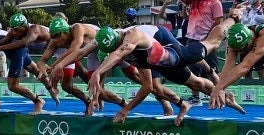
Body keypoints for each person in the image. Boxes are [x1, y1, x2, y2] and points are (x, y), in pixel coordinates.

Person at [89, 22, 243, 126]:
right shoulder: (123, 54)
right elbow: (146, 85)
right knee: (192, 82)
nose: (116, 63)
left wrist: (126, 109)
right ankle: (187, 104)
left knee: (207, 45)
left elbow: (120, 55)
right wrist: (95, 98)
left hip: (164, 41)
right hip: (161, 62)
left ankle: (232, 20)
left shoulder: (132, 38)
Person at [0, 13, 53, 114]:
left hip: (53, 48)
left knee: (14, 85)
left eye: (16, 29)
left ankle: (39, 99)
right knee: (35, 71)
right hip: (30, 49)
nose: (14, 32)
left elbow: (24, 43)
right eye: (12, 29)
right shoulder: (14, 33)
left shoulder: (34, 29)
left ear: (24, 27)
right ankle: (46, 94)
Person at [165, 0, 224, 72]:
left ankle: (215, 87)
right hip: (191, 40)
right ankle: (195, 88)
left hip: (207, 40)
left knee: (211, 70)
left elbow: (219, 22)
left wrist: (211, 37)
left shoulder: (214, 1)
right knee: (192, 70)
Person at [238, 0, 264, 79]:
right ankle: (248, 92)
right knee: (246, 71)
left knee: (260, 70)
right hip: (246, 42)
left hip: (259, 43)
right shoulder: (246, 9)